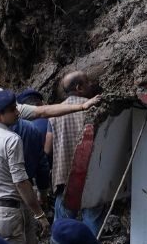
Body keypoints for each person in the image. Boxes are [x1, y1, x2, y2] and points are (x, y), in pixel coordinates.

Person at [0, 91, 50, 244]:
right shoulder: (11, 139)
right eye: (13, 110)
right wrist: (39, 214)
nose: (17, 113)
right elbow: (20, 181)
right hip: (9, 211)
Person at [48, 71, 104, 232]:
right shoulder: (96, 109)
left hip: (64, 177)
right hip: (93, 177)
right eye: (88, 81)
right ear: (79, 87)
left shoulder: (55, 112)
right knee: (92, 225)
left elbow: (47, 148)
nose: (92, 84)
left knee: (63, 228)